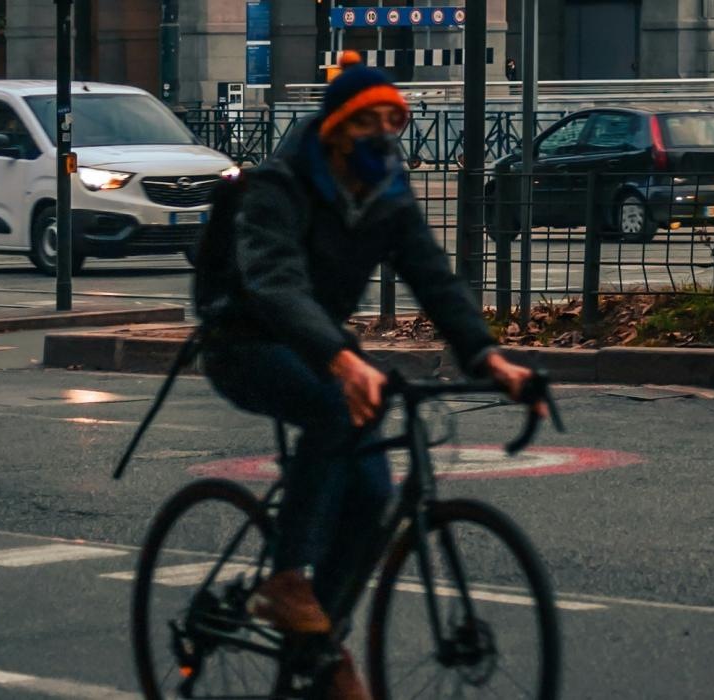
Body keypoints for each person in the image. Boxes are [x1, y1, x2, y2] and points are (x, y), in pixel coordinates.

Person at [192, 51, 546, 699]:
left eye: (394, 121)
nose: (383, 134)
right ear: (334, 131)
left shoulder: (386, 195)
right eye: (367, 122)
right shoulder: (281, 185)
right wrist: (342, 357)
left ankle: (317, 646)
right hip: (243, 340)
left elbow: (433, 277)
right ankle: (287, 579)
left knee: (375, 496)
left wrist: (487, 356)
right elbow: (275, 284)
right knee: (334, 406)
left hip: (317, 345)